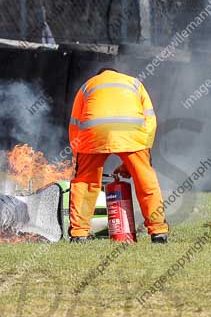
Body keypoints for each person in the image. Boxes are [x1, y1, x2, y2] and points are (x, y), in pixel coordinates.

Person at [68, 67, 169, 244]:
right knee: (145, 181)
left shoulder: (88, 85)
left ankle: (78, 234)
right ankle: (158, 232)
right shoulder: (134, 83)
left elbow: (75, 124)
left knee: (85, 183)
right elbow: (150, 120)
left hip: (94, 133)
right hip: (132, 133)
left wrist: (79, 158)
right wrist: (143, 148)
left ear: (99, 75)